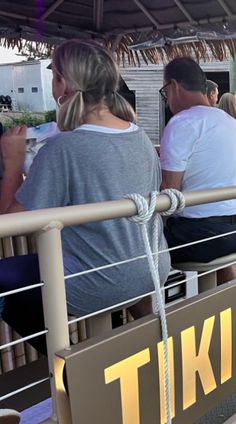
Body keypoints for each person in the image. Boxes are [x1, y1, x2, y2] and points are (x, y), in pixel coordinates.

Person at [0, 39, 170, 354]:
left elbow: (11, 221)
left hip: (97, 285)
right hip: (151, 269)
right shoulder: (142, 138)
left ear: (63, 83)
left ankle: (69, 365)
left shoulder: (62, 148)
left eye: (54, 76)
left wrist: (12, 164)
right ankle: (141, 346)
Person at [159, 58, 236, 284]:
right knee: (217, 251)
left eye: (165, 91)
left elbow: (169, 194)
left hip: (203, 237)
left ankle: (156, 316)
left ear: (174, 86)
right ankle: (234, 311)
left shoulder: (180, 123)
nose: (166, 101)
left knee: (136, 250)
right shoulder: (230, 121)